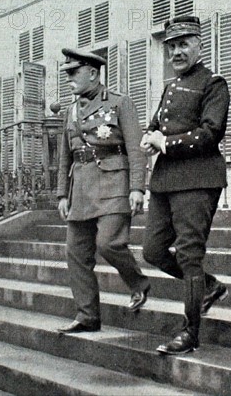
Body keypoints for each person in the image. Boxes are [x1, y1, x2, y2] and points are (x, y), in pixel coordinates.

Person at [141, 15, 230, 355]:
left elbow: (210, 133)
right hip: (165, 180)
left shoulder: (213, 84)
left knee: (190, 255)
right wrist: (150, 138)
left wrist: (167, 143)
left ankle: (190, 333)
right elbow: (155, 126)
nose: (176, 52)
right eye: (172, 47)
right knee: (153, 251)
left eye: (183, 45)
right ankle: (208, 287)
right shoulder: (171, 87)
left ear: (199, 45)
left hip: (198, 178)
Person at [56, 48, 150, 333]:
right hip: (81, 190)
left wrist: (137, 188)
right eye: (68, 73)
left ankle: (138, 283)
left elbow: (136, 149)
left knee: (108, 243)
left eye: (74, 73)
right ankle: (87, 316)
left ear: (93, 73)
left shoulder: (121, 103)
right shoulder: (70, 110)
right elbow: (64, 157)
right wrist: (62, 194)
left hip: (113, 185)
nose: (69, 79)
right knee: (76, 253)